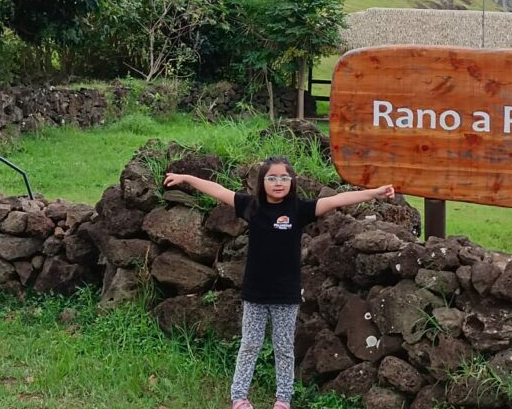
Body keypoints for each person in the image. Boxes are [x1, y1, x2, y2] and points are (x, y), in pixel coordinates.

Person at [163, 157, 395, 409]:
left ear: (292, 182)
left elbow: (336, 200)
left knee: (283, 348)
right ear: (262, 182)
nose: (278, 183)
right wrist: (186, 178)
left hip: (286, 293)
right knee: (249, 345)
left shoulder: (299, 209)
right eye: (271, 178)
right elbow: (219, 190)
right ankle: (239, 398)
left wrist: (374, 193)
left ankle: (283, 400)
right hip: (255, 292)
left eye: (284, 178)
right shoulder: (252, 206)